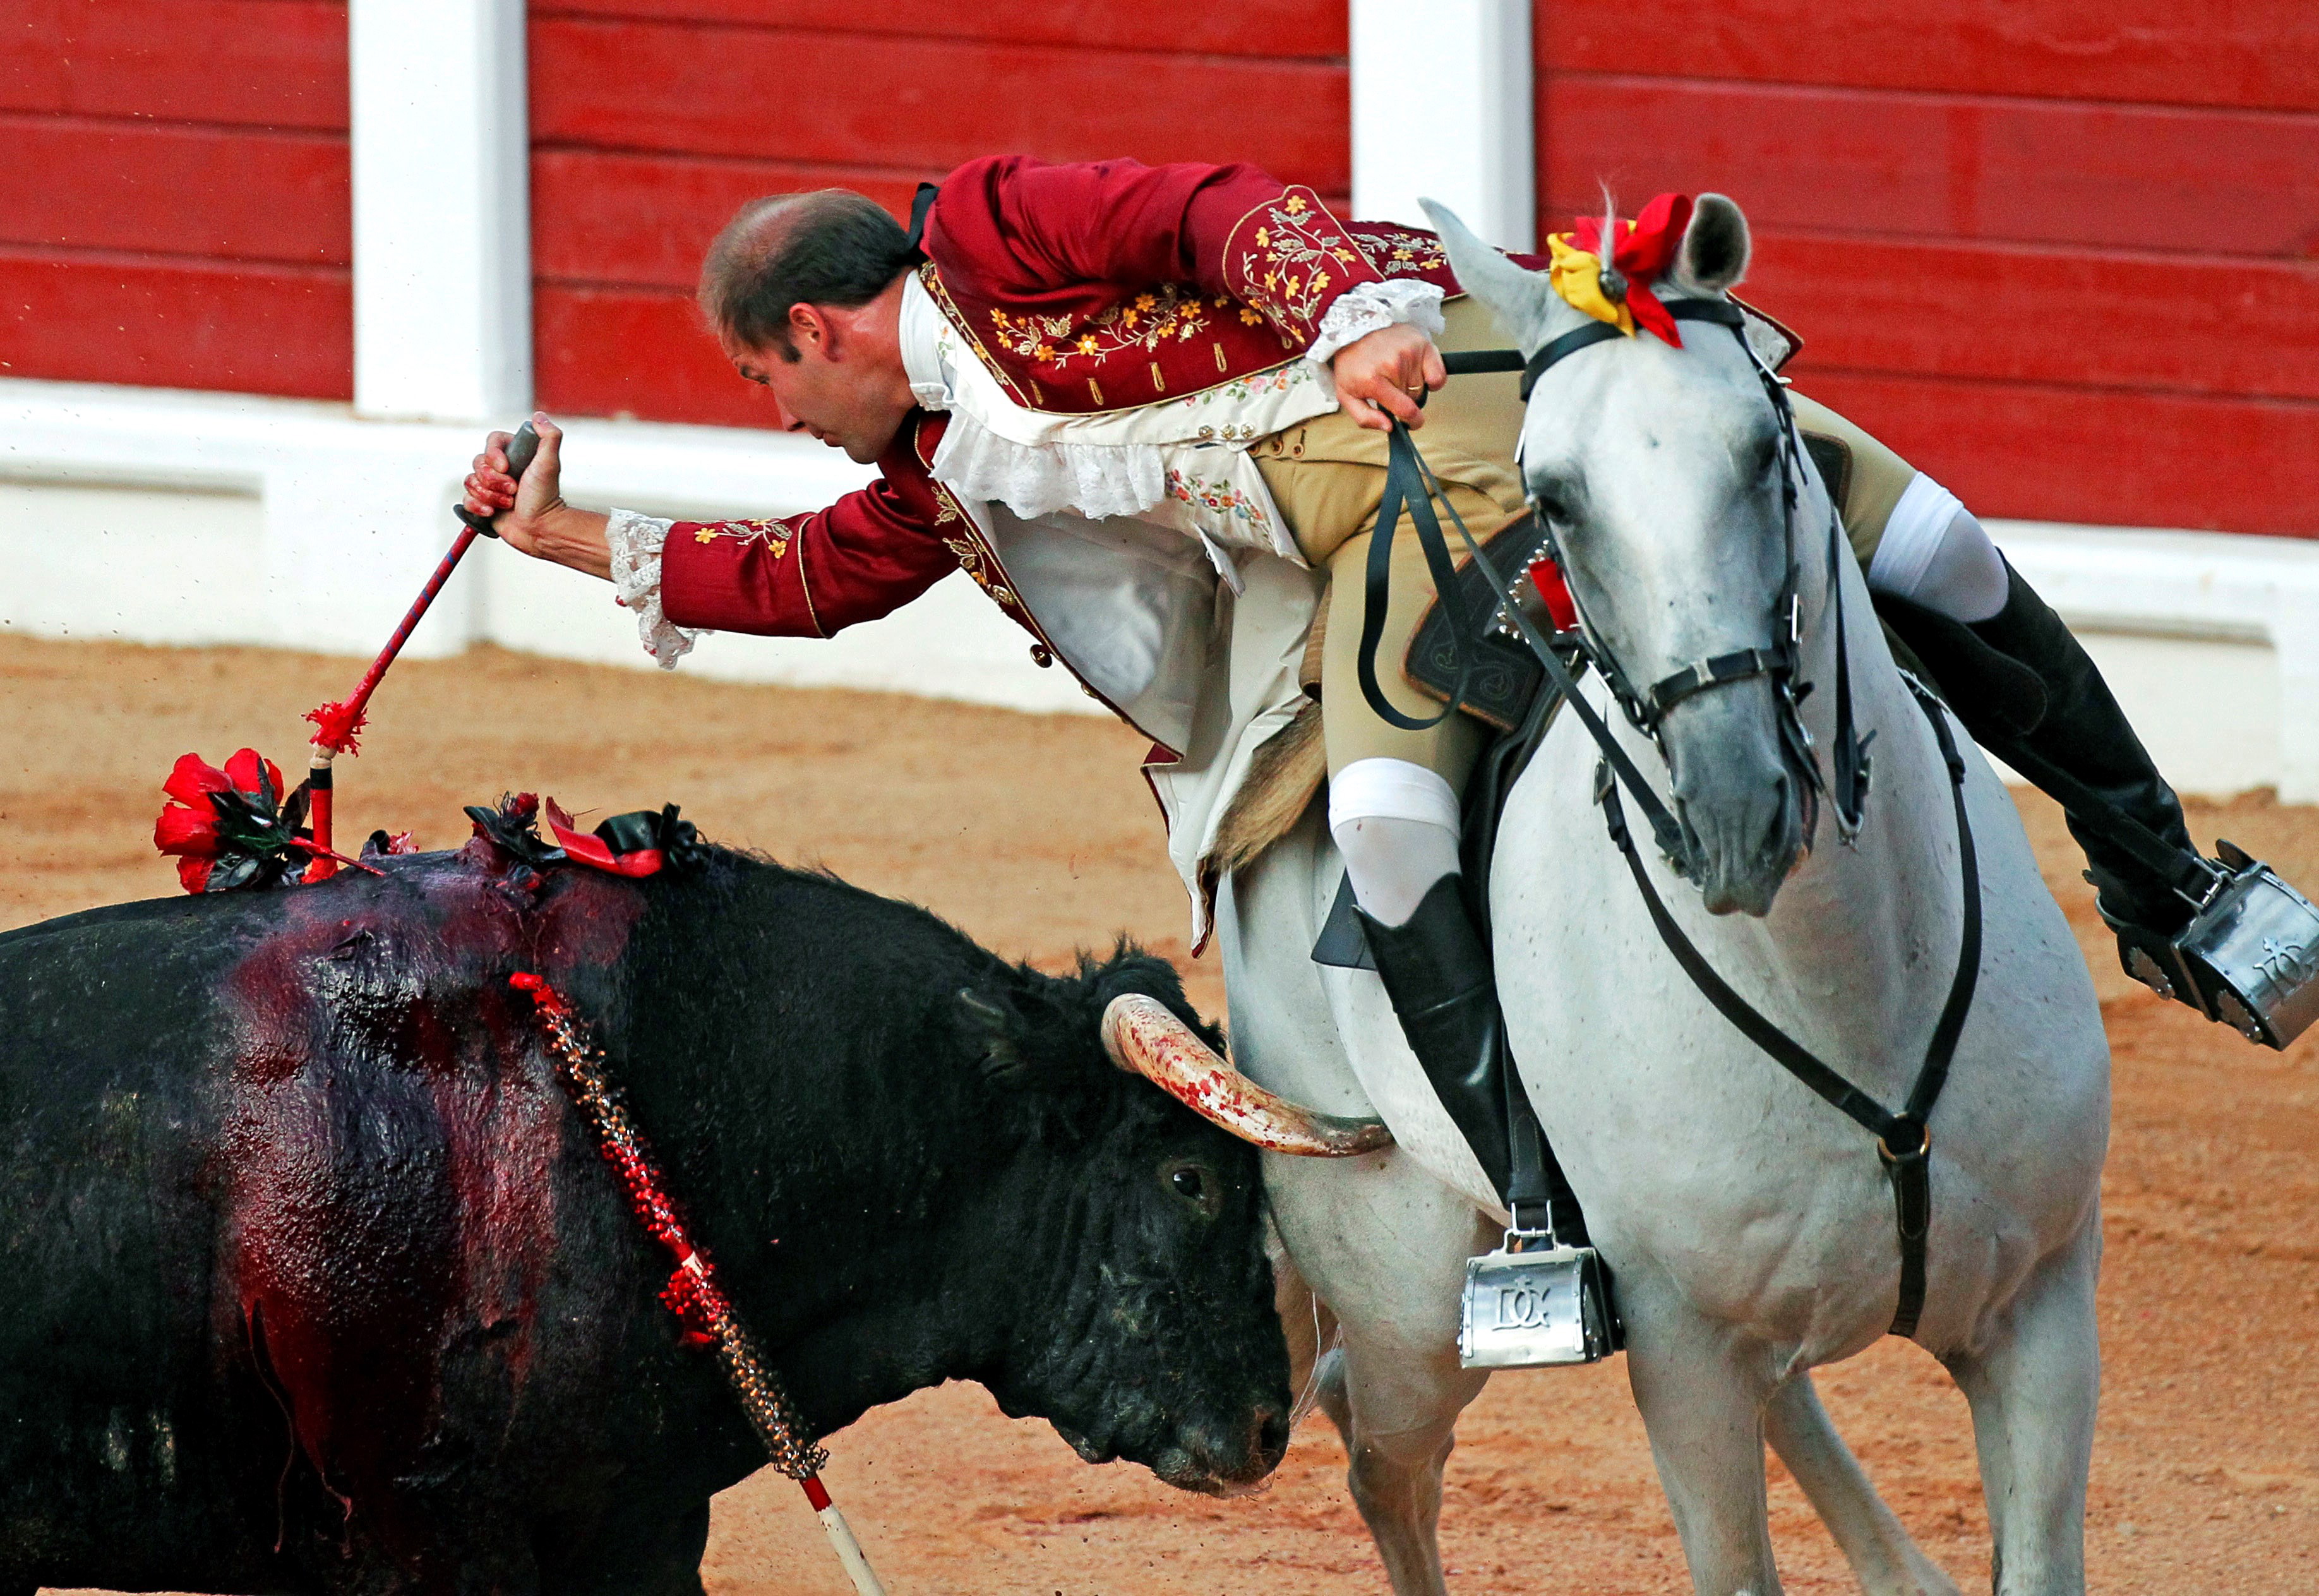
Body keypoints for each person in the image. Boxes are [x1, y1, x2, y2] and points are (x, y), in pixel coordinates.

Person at [464, 155, 2223, 1203]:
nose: (775, 418)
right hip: (1372, 532)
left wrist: (1341, 319)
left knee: (1942, 559)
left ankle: (2178, 885)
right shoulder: (945, 459)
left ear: (818, 329)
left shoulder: (991, 232)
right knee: (1383, 827)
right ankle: (1542, 1213)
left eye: (767, 385)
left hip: (1475, 366)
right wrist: (558, 540)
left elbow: (1220, 211)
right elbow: (812, 577)